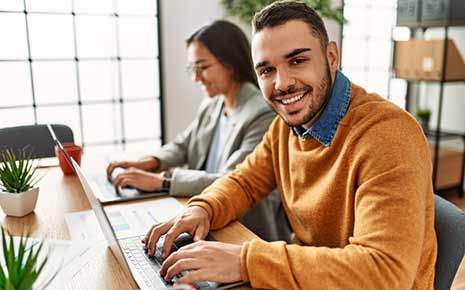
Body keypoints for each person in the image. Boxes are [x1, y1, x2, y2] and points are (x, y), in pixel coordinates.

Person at [142, 1, 437, 290]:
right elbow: (243, 182)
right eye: (267, 70)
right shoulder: (285, 128)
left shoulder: (388, 135)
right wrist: (203, 208)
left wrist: (246, 261)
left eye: (297, 61)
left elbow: (384, 273)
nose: (282, 83)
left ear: (331, 56)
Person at [106, 20, 290, 242]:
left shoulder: (262, 113)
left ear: (230, 63)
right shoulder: (214, 103)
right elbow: (184, 144)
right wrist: (149, 162)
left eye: (202, 67)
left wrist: (162, 181)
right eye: (192, 68)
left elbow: (231, 182)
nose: (196, 78)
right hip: (204, 213)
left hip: (245, 230)